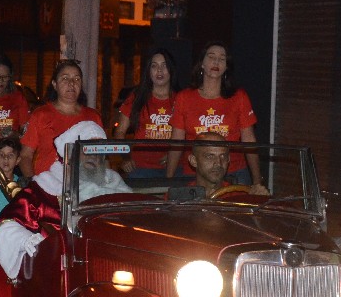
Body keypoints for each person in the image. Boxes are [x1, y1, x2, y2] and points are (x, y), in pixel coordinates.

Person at [0, 121, 109, 280]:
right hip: (59, 270)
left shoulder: (113, 185)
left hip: (107, 262)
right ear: (73, 153)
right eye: (88, 150)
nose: (93, 157)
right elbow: (6, 224)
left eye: (99, 152)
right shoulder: (44, 188)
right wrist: (28, 241)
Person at [165, 43, 262, 188]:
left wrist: (257, 181)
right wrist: (169, 180)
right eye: (211, 57)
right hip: (195, 174)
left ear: (226, 67)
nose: (216, 62)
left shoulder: (239, 97)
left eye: (222, 59)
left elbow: (249, 140)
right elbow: (176, 142)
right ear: (202, 63)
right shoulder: (184, 97)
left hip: (233, 172)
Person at [19, 59, 102, 179]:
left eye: (77, 79)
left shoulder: (93, 117)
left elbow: (102, 157)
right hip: (47, 186)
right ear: (54, 84)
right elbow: (25, 155)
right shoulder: (40, 115)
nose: (71, 83)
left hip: (85, 186)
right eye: (65, 78)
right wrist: (34, 184)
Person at [113, 49, 179, 178]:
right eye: (154, 66)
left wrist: (175, 155)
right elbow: (120, 131)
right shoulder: (137, 96)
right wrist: (126, 158)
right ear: (148, 71)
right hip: (141, 168)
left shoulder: (181, 99)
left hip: (174, 167)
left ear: (171, 69)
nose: (159, 70)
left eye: (164, 65)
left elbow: (190, 135)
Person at [169, 142, 271, 200]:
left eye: (223, 156)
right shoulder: (178, 196)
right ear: (194, 161)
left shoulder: (240, 195)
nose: (218, 163)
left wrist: (260, 199)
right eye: (210, 156)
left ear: (228, 160)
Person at [0, 54, 31, 139]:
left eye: (5, 77)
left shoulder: (17, 98)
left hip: (11, 147)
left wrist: (15, 135)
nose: (1, 80)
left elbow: (26, 129)